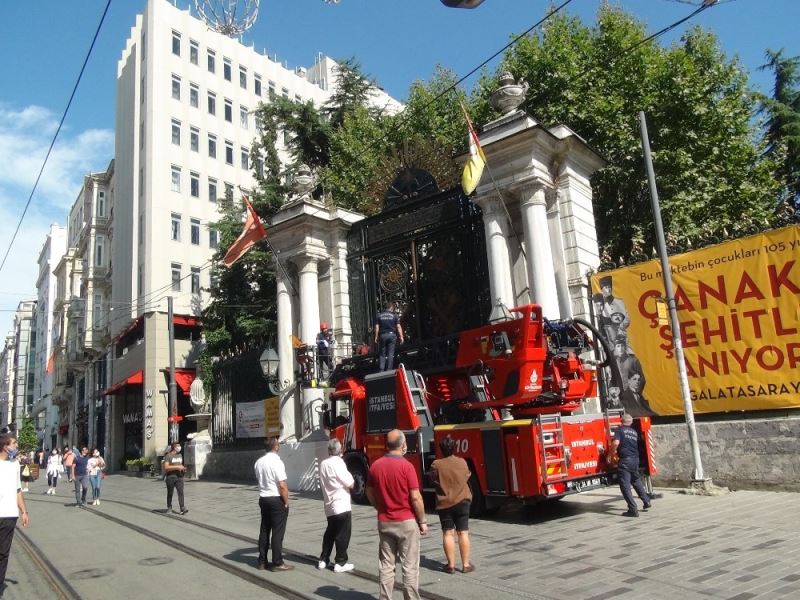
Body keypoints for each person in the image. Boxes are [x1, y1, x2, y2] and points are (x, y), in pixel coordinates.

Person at [365, 429, 428, 600]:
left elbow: (369, 491)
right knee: (409, 567)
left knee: (386, 565)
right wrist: (422, 520)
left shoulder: (376, 466)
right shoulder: (407, 467)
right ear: (403, 445)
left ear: (387, 445)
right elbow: (416, 498)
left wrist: (378, 507)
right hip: (406, 522)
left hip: (385, 521)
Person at [430, 436, 474, 574]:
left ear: (441, 449)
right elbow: (468, 475)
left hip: (445, 503)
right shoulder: (462, 462)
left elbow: (432, 481)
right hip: (462, 501)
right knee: (463, 532)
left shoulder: (436, 464)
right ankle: (466, 565)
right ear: (454, 448)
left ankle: (451, 565)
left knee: (448, 533)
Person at [254, 437, 292, 571]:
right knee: (277, 531)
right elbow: (282, 485)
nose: (279, 445)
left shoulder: (258, 462)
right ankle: (277, 562)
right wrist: (286, 501)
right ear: (275, 447)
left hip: (263, 498)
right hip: (276, 499)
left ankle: (262, 561)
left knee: (264, 529)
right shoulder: (277, 462)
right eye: (278, 443)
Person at [317, 438, 355, 573]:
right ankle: (340, 561)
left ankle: (323, 559)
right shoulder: (339, 463)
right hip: (341, 504)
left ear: (329, 450)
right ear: (340, 450)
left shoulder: (323, 464)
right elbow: (350, 483)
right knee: (343, 533)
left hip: (329, 504)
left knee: (330, 532)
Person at [0, 434, 29, 589]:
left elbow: (18, 489)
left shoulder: (15, 465)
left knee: (3, 554)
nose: (16, 447)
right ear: (5, 446)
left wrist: (24, 512)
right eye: (14, 444)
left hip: (10, 514)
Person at [611, 414, 651, 517]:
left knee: (625, 486)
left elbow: (615, 443)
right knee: (636, 480)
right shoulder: (634, 432)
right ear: (631, 422)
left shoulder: (619, 430)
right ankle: (646, 501)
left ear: (621, 421)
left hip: (625, 461)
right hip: (635, 460)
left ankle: (633, 510)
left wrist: (611, 454)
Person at [374, 302, 404, 371]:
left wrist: (376, 336)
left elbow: (377, 327)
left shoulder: (379, 315)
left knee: (382, 353)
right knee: (390, 353)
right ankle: (389, 369)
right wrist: (401, 336)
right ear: (391, 308)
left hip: (382, 335)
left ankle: (381, 369)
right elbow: (398, 327)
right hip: (391, 335)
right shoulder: (394, 316)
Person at [164, 442, 188, 515]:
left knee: (180, 492)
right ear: (174, 447)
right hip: (170, 476)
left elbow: (180, 464)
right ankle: (169, 507)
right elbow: (166, 467)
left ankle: (182, 508)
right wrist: (177, 467)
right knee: (170, 493)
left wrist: (183, 468)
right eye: (178, 446)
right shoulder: (168, 456)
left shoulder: (180, 455)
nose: (180, 447)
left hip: (179, 476)